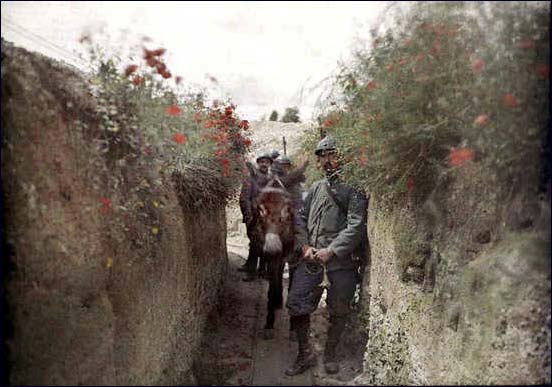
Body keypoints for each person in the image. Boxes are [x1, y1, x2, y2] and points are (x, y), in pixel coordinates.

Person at [285, 135, 368, 376]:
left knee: (339, 309)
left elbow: (356, 224)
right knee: (297, 303)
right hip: (311, 261)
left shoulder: (354, 189)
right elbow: (299, 219)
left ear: (342, 157)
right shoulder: (315, 189)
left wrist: (332, 250)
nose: (327, 161)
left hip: (341, 264)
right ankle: (305, 354)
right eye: (323, 156)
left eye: (332, 154)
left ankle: (331, 352)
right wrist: (304, 247)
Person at [239, 151, 274, 281]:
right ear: (258, 163)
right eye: (262, 162)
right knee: (255, 244)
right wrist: (248, 217)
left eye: (267, 162)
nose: (264, 164)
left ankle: (262, 270)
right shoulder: (250, 179)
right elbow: (244, 199)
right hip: (254, 219)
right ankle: (252, 272)